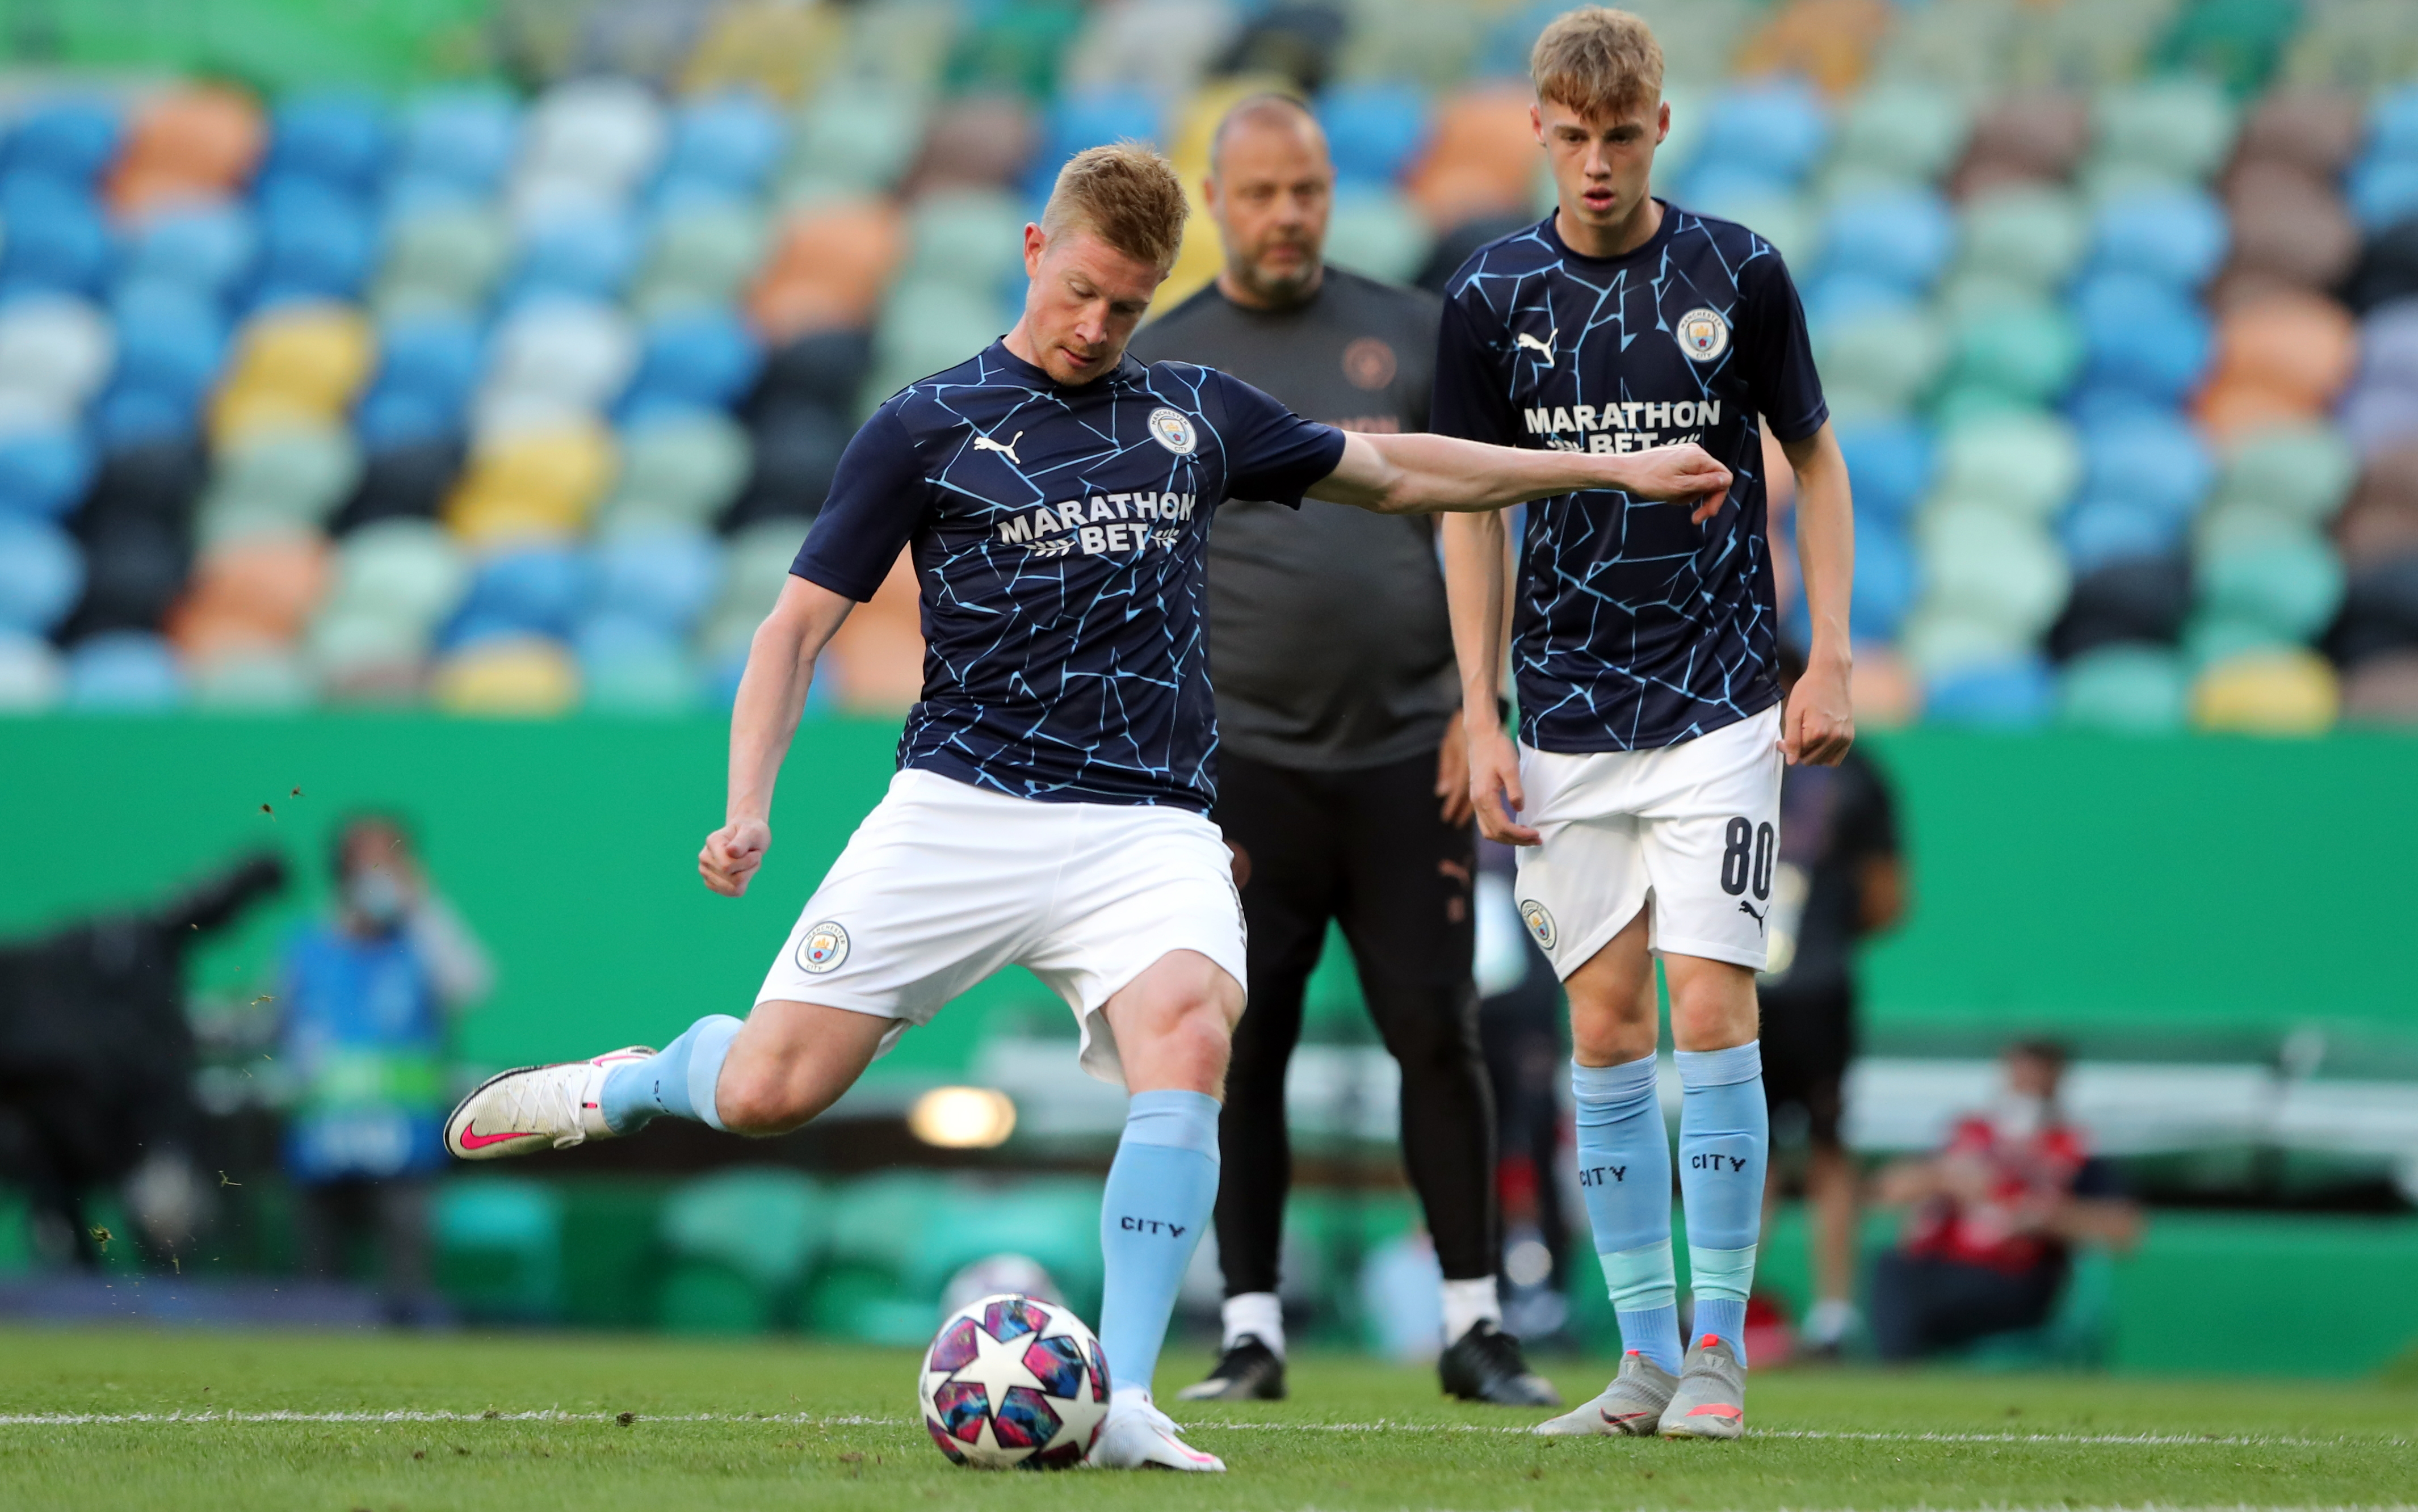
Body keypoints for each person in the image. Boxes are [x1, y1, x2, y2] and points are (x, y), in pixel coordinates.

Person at [440, 141, 1731, 1473]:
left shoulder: (1191, 412)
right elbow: (790, 631)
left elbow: (1398, 472)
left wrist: (1605, 474)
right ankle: (632, 1080)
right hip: (960, 808)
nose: (1096, 326)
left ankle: (1122, 1399)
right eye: (1081, 292)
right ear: (1031, 252)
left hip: (1147, 823)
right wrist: (748, 805)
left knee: (1187, 1033)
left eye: (1126, 304)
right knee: (770, 1090)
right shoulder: (926, 423)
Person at [1434, 7, 1857, 1440]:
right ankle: (1638, 1362)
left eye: (1622, 134)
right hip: (1557, 714)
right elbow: (1465, 504)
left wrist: (1832, 657)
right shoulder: (1489, 293)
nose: (1598, 161)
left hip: (1719, 698)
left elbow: (1815, 455)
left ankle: (1721, 1351)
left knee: (1710, 1003)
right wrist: (1475, 709)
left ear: (1657, 126)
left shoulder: (1735, 269)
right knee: (1600, 1029)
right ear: (1536, 129)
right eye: (1573, 135)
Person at [1127, 93, 1552, 1408]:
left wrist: (1474, 705)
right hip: (1239, 764)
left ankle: (1473, 1323)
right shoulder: (1164, 359)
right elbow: (1139, 564)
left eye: (1305, 190)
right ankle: (1248, 1327)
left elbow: (1481, 514)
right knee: (1238, 1045)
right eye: (1259, 193)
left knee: (1438, 1028)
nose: (1286, 215)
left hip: (1404, 754)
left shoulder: (1409, 331)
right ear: (1214, 199)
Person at [1756, 642, 1908, 1358]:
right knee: (1813, 1150)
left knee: (1749, 1143)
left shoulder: (1731, 758)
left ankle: (1730, 1308)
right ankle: (1829, 1313)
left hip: (1754, 983)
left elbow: (1886, 895)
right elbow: (1887, 899)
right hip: (1811, 985)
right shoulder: (1859, 772)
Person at [282, 814, 492, 1324]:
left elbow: (472, 984)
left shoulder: (420, 945)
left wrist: (424, 907)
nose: (379, 873)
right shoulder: (308, 948)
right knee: (319, 1288)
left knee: (407, 1287)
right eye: (366, 860)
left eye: (391, 860)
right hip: (322, 1147)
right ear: (343, 871)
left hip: (405, 1148)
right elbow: (279, 1025)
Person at [1867, 1040, 2142, 1360]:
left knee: (1906, 1291)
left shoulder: (2078, 1149)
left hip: (2017, 1279)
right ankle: (1898, 1369)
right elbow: (1885, 1190)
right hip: (1946, 1266)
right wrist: (1944, 1177)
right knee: (1893, 1267)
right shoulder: (1972, 1138)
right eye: (2019, 1077)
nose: (2025, 1089)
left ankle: (1898, 1372)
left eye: (2036, 1080)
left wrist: (2045, 1218)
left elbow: (2125, 1229)